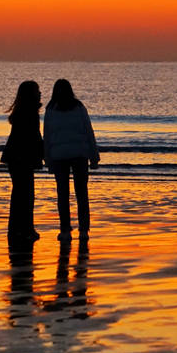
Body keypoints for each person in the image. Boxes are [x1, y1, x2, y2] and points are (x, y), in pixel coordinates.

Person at [43, 78, 99, 242]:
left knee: (63, 194)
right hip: (79, 154)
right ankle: (83, 230)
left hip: (59, 155)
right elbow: (89, 131)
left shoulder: (51, 109)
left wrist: (48, 159)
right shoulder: (79, 107)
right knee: (82, 193)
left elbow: (47, 136)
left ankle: (65, 230)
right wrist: (94, 156)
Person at [1, 80, 43, 243]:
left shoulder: (22, 110)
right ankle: (25, 229)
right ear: (31, 94)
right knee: (25, 195)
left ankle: (17, 229)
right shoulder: (30, 111)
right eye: (37, 91)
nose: (40, 93)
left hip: (15, 157)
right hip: (21, 158)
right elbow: (33, 137)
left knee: (20, 194)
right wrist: (43, 153)